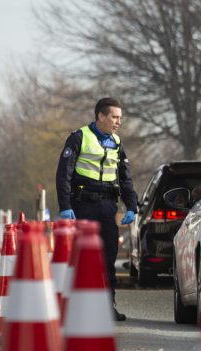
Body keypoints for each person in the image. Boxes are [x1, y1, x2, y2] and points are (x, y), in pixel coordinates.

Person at [55, 97, 138, 321]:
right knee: (83, 258)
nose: (118, 122)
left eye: (120, 118)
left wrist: (132, 205)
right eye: (114, 117)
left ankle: (107, 305)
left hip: (108, 207)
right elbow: (64, 175)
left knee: (108, 257)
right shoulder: (79, 138)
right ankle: (79, 307)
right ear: (100, 116)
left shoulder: (117, 143)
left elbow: (125, 179)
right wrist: (65, 206)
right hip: (84, 206)